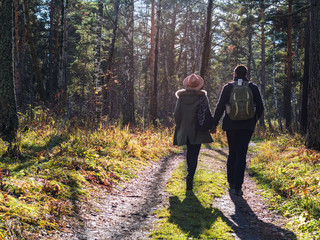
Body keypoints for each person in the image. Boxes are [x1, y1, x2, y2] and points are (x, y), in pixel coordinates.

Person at [211, 65, 264, 196]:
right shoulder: (253, 87)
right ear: (246, 74)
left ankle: (231, 182)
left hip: (231, 125)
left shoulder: (228, 87)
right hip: (247, 127)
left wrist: (214, 124)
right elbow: (261, 107)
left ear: (234, 74)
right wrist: (253, 120)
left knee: (232, 152)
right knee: (242, 154)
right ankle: (238, 186)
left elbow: (220, 107)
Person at [173, 73, 214, 191]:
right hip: (198, 129)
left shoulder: (181, 97)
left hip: (185, 129)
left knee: (189, 151)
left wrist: (180, 125)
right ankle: (190, 176)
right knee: (194, 154)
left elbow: (176, 114)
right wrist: (211, 125)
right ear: (198, 85)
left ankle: (189, 172)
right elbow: (207, 112)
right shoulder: (202, 97)